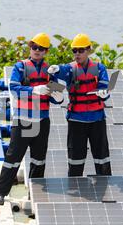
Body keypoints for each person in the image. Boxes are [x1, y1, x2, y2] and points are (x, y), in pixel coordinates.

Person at [0, 33, 63, 206]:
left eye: (40, 48)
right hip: (23, 120)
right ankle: (1, 193)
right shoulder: (21, 67)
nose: (37, 51)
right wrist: (35, 90)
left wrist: (58, 95)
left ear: (46, 51)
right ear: (30, 48)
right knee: (13, 158)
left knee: (39, 160)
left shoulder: (50, 71)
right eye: (34, 47)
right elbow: (14, 88)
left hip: (42, 121)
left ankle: (35, 195)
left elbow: (55, 97)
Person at [47, 33, 112, 177]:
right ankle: (76, 191)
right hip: (76, 120)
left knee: (102, 159)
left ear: (88, 50)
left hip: (97, 119)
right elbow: (61, 71)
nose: (77, 54)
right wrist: (55, 70)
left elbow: (105, 87)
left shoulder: (99, 68)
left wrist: (104, 93)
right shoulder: (70, 69)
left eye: (81, 50)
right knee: (75, 160)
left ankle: (107, 190)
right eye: (74, 50)